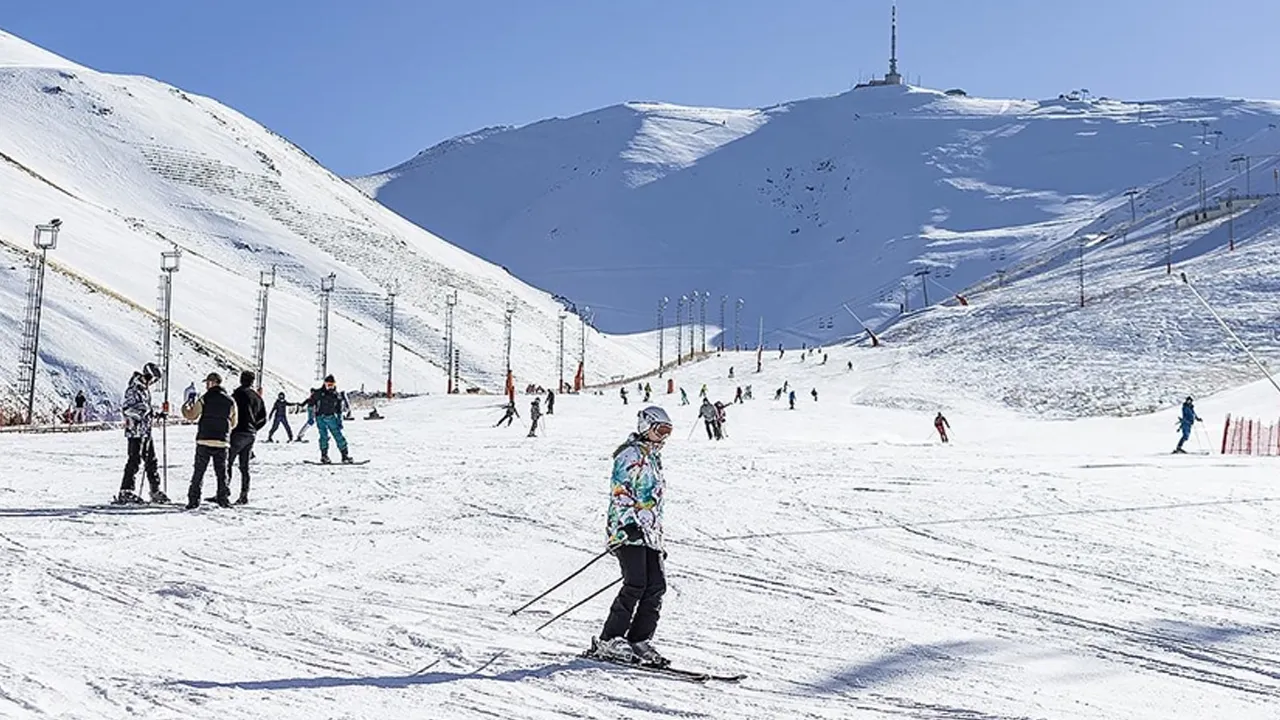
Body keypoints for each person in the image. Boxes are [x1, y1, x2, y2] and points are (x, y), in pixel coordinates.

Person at [589, 405, 673, 667]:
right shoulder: (629, 454)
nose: (664, 436)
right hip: (627, 530)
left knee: (656, 586)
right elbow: (621, 491)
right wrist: (627, 524)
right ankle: (609, 638)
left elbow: (654, 500)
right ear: (646, 426)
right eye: (661, 430)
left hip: (649, 534)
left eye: (668, 431)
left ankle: (639, 640)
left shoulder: (653, 457)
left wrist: (658, 538)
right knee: (636, 583)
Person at [181, 372, 238, 509]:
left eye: (207, 382)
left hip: (204, 440)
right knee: (221, 472)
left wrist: (185, 407)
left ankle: (193, 500)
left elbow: (192, 416)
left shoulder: (204, 398)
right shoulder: (230, 401)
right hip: (222, 442)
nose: (206, 385)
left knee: (199, 472)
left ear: (212, 383)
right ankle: (223, 499)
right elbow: (234, 422)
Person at [115, 362, 168, 504]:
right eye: (153, 379)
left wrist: (157, 414)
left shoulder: (144, 390)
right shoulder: (133, 389)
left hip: (146, 431)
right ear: (147, 375)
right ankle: (126, 490)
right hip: (135, 431)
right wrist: (146, 411)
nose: (153, 382)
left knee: (151, 460)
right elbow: (128, 409)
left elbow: (146, 409)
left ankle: (155, 490)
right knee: (134, 460)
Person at [229, 371, 267, 505]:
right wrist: (254, 428)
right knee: (244, 467)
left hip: (237, 432)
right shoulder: (257, 397)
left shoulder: (236, 395)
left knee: (227, 463)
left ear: (241, 380)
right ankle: (244, 495)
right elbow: (263, 418)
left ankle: (223, 493)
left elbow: (230, 413)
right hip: (250, 434)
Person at [306, 375, 354, 464]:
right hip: (320, 418)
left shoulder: (336, 395)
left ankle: (344, 456)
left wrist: (340, 420)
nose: (330, 387)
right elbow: (310, 404)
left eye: (331, 385)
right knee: (323, 437)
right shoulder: (318, 393)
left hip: (331, 417)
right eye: (328, 385)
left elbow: (339, 409)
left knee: (338, 436)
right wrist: (310, 416)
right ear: (325, 384)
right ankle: (324, 456)